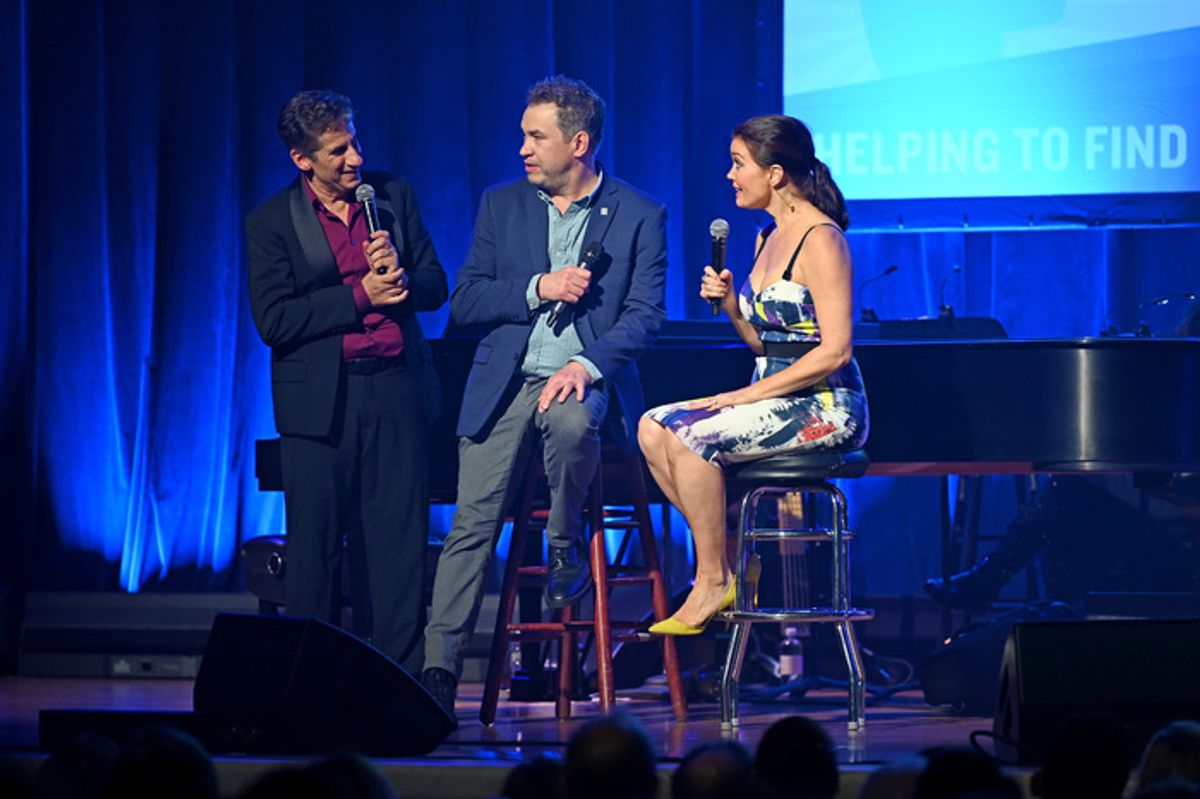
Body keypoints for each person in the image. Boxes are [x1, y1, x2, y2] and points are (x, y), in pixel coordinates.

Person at [420, 75, 668, 718]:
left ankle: (564, 541)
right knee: (469, 525)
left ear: (578, 142)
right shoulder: (502, 205)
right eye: (523, 136)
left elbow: (644, 316)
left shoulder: (640, 214)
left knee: (568, 425)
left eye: (537, 137)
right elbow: (467, 298)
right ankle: (438, 671)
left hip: (584, 377)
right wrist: (538, 287)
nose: (523, 149)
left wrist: (587, 364)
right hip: (504, 381)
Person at [639, 114, 868, 635]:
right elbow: (769, 343)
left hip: (825, 405)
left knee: (694, 435)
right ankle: (732, 562)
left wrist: (746, 395)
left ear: (776, 174)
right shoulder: (767, 235)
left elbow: (834, 350)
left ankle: (714, 578)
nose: (729, 175)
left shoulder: (822, 240)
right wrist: (733, 311)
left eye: (739, 164)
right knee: (653, 426)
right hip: (771, 393)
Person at [246, 90, 447, 674]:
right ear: (301, 159)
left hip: (395, 390)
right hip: (321, 405)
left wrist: (403, 276)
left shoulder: (392, 196)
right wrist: (361, 296)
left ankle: (396, 684)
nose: (355, 158)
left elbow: (437, 285)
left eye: (355, 142)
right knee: (315, 553)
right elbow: (274, 320)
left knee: (397, 551)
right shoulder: (271, 222)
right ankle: (309, 688)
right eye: (338, 151)